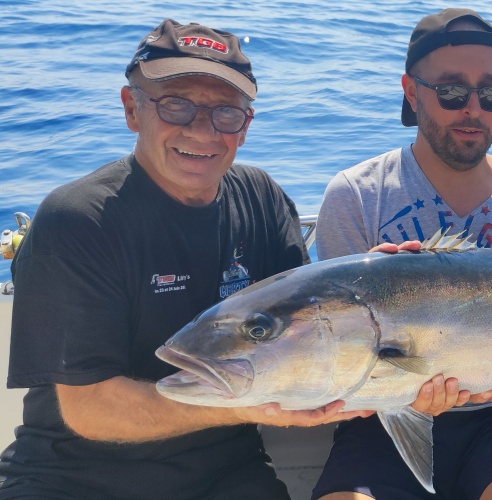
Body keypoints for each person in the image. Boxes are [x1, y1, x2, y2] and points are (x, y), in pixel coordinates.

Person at [0, 19, 370, 500]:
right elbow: (89, 409)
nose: (202, 129)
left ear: (247, 125)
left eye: (225, 112)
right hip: (72, 479)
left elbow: (307, 325)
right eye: (177, 104)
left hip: (227, 475)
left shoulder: (261, 197)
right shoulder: (78, 220)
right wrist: (243, 409)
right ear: (132, 108)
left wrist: (379, 284)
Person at [313, 8, 492, 500]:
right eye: (451, 92)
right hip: (381, 418)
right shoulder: (356, 194)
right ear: (411, 91)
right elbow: (338, 359)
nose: (473, 109)